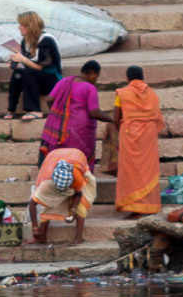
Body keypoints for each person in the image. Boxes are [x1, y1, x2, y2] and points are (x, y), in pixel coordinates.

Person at [40, 60, 113, 170]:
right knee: (78, 160)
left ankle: (60, 180)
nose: (96, 80)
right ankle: (79, 183)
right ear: (92, 72)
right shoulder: (89, 88)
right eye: (96, 76)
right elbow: (94, 112)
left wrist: (59, 116)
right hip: (80, 132)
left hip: (60, 131)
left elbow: (50, 99)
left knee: (60, 158)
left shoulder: (64, 82)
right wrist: (112, 119)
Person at [114, 65, 164, 218]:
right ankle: (149, 206)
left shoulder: (122, 93)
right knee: (147, 169)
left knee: (131, 170)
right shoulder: (152, 94)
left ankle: (136, 209)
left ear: (127, 78)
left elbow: (116, 118)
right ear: (143, 77)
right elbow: (157, 116)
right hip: (149, 134)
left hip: (130, 134)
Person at [28, 147, 96, 245]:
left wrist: (72, 211)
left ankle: (78, 237)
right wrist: (34, 227)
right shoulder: (47, 182)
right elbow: (32, 203)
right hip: (53, 157)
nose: (63, 193)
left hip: (77, 156)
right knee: (47, 203)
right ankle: (41, 237)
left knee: (82, 204)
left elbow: (78, 194)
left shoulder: (77, 179)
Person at [6, 11, 62, 121]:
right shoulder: (25, 41)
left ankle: (35, 110)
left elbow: (40, 67)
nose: (19, 27)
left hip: (52, 81)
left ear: (29, 26)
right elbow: (28, 62)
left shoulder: (46, 40)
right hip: (35, 80)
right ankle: (11, 109)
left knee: (28, 71)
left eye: (21, 24)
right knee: (18, 72)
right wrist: (17, 64)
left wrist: (23, 60)